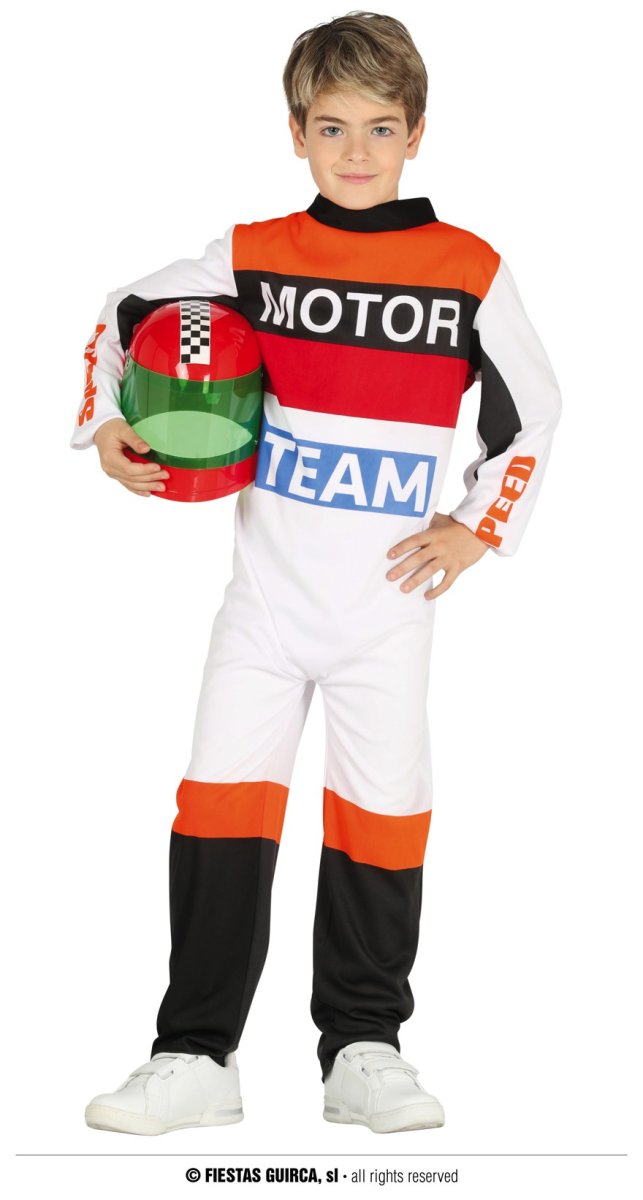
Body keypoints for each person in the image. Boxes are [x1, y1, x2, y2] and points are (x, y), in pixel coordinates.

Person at [71, 11, 562, 1136]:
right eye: (331, 127)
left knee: (381, 817)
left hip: (388, 608)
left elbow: (534, 410)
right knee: (214, 809)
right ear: (295, 132)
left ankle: (364, 1048)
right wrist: (105, 423)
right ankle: (196, 1055)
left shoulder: (466, 268)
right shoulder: (253, 254)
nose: (355, 151)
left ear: (416, 133)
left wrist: (478, 528)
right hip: (263, 602)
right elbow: (124, 312)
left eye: (380, 128)